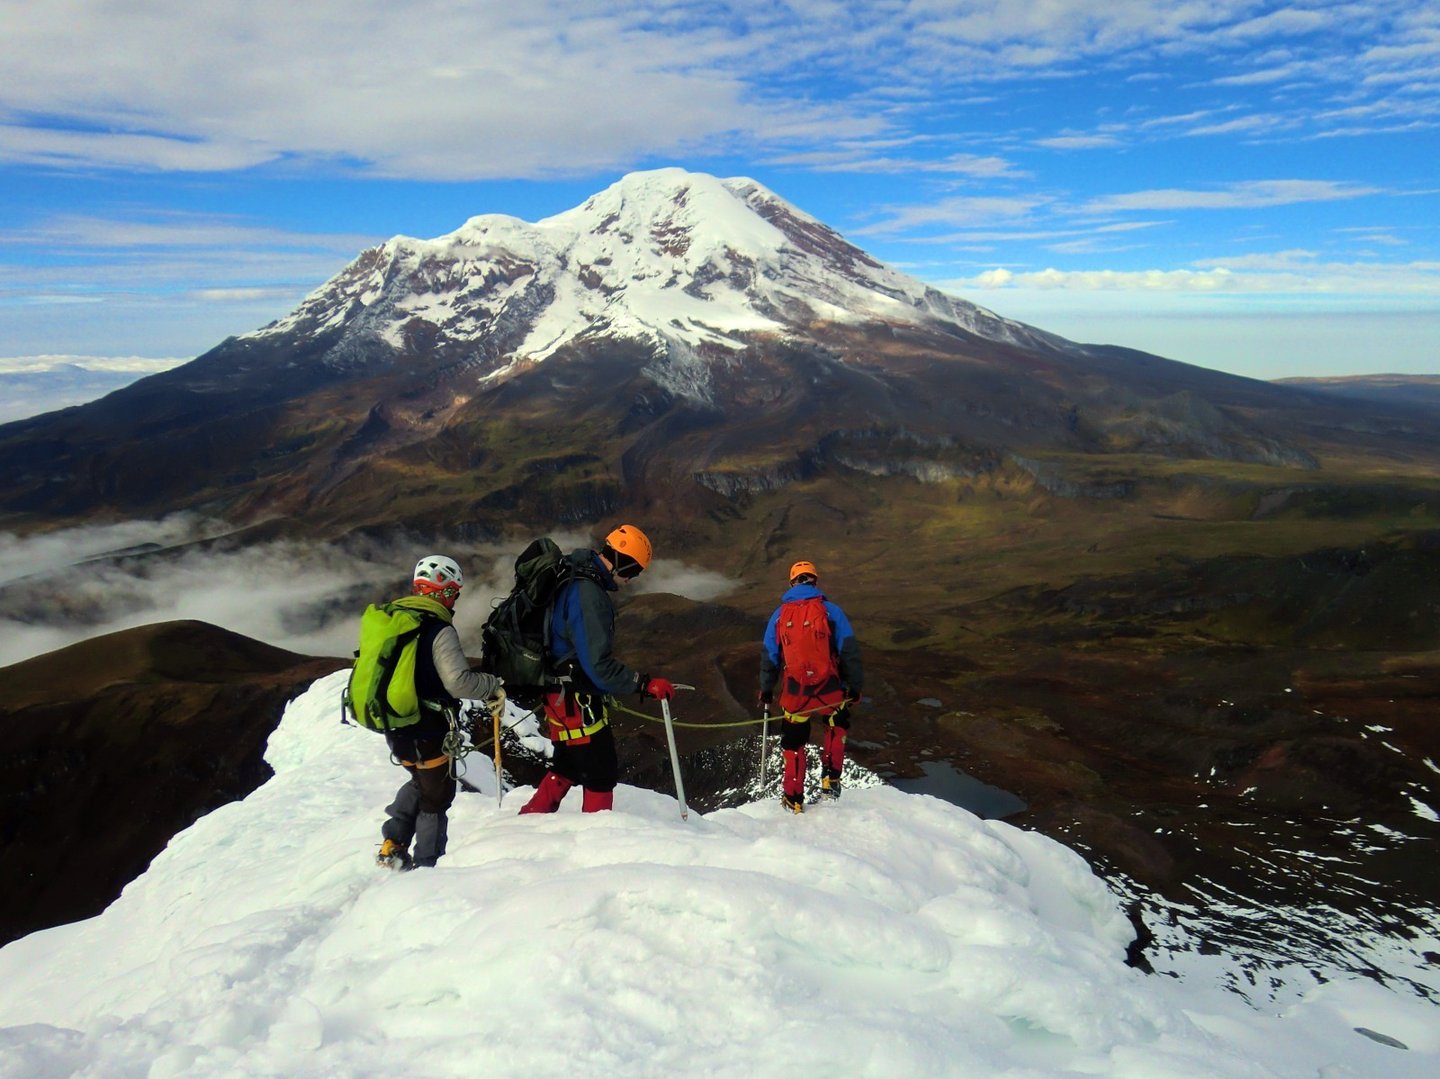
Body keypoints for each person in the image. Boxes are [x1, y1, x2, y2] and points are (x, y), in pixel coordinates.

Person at [519, 525, 676, 814]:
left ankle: (530, 820)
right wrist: (643, 684)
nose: (630, 580)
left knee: (567, 763)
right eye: (633, 572)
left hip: (557, 693)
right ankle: (597, 839)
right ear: (622, 562)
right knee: (601, 772)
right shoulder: (588, 594)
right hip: (576, 698)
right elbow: (598, 666)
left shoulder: (571, 571)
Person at [376, 554, 505, 870]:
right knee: (437, 795)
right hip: (427, 728)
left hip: (396, 724)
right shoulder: (437, 630)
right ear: (445, 591)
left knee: (421, 781)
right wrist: (493, 684)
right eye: (455, 592)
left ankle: (392, 843)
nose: (456, 600)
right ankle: (426, 868)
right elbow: (458, 682)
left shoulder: (395, 620)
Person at [759, 560, 863, 813]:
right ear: (814, 580)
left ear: (792, 582)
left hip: (796, 692)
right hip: (829, 687)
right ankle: (831, 783)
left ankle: (793, 799)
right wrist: (854, 686)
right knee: (835, 727)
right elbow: (848, 650)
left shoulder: (779, 615)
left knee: (793, 744)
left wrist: (766, 689)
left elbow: (769, 656)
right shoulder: (830, 610)